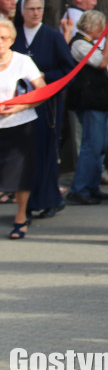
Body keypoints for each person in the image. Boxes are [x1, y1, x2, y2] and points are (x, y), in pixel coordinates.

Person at [11, 0, 75, 218]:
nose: (36, 13)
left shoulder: (52, 37)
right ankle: (25, 204)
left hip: (46, 107)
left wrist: (43, 77)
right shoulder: (13, 36)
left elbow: (68, 71)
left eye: (39, 8)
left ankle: (49, 199)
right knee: (21, 155)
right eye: (31, 9)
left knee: (44, 152)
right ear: (22, 11)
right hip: (16, 106)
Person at [65, 10, 108, 205]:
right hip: (89, 101)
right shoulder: (79, 43)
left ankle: (92, 186)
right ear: (94, 27)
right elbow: (102, 63)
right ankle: (79, 188)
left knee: (100, 146)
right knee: (91, 145)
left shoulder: (91, 43)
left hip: (100, 101)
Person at [0, 16, 46, 239]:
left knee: (20, 173)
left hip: (20, 124)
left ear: (11, 39)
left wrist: (18, 108)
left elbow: (41, 91)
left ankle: (20, 216)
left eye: (3, 37)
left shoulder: (22, 61)